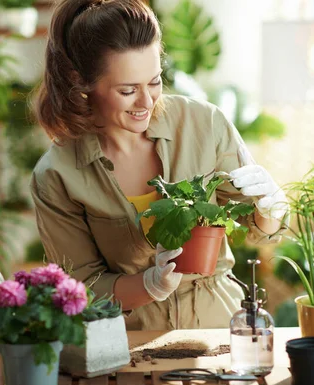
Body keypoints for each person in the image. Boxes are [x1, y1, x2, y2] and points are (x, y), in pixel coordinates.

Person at [30, 0, 287, 330]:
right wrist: (149, 286)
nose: (146, 102)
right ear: (83, 86)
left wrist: (271, 207)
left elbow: (258, 227)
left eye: (154, 81)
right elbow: (81, 287)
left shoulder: (203, 124)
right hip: (129, 342)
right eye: (127, 90)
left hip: (221, 330)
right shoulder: (57, 175)